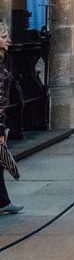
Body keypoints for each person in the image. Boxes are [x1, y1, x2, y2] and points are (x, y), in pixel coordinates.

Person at [0, 23, 22, 215]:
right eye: (4, 36)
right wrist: (0, 130)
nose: (8, 40)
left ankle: (3, 202)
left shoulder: (4, 59)